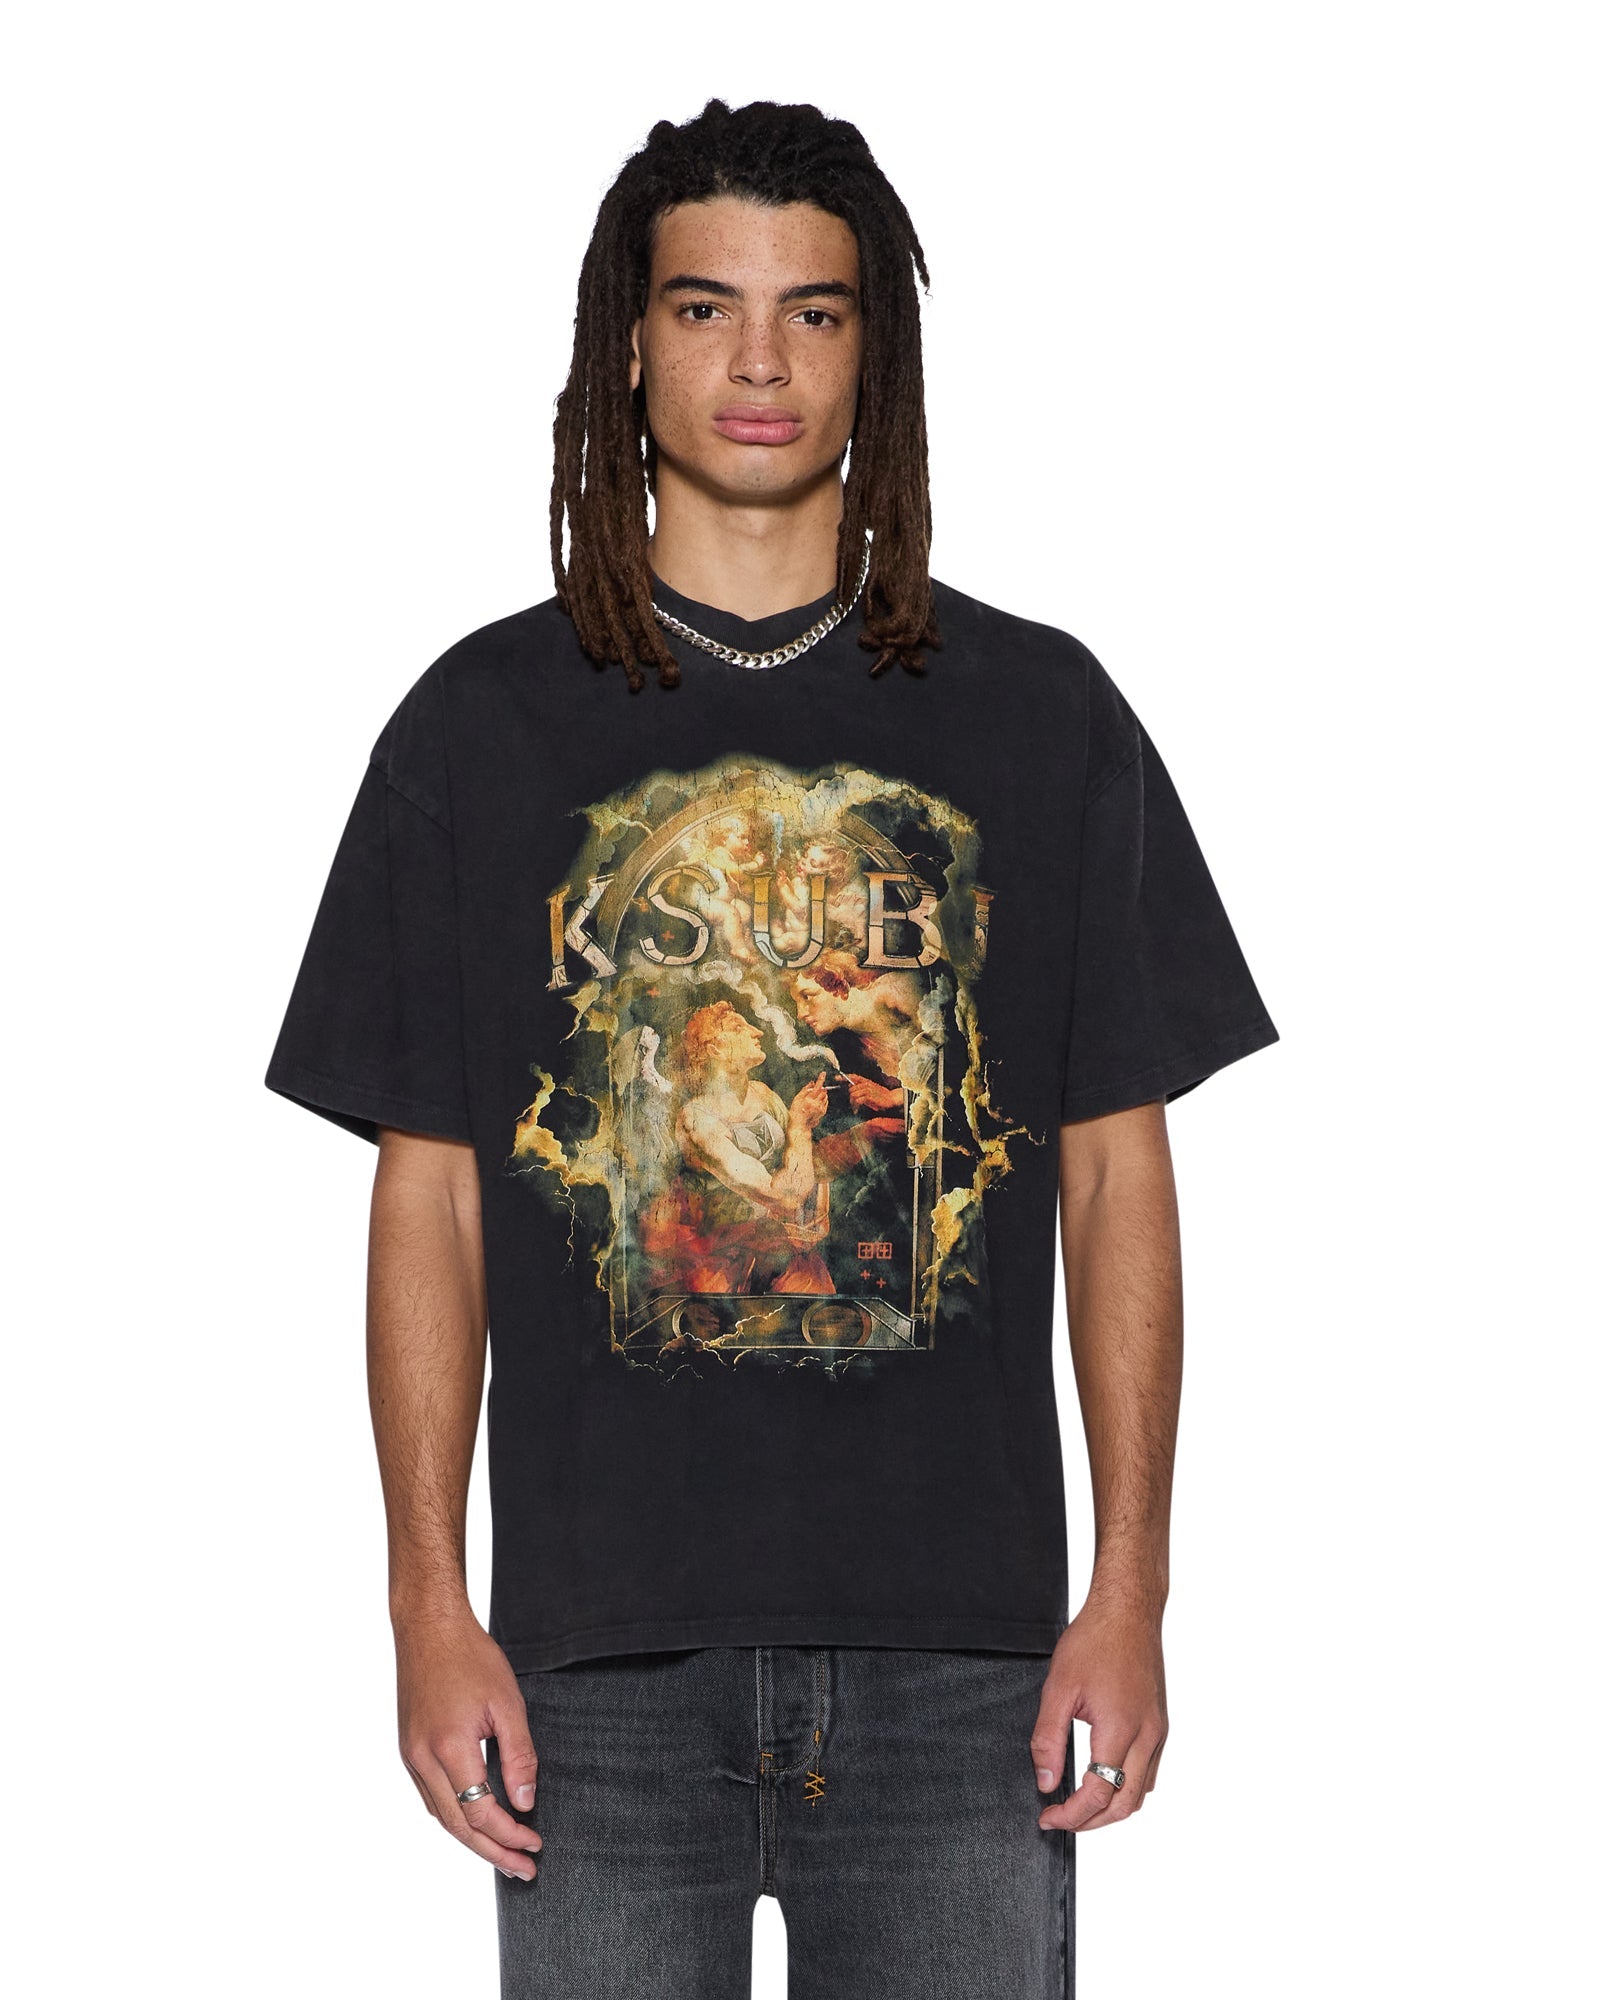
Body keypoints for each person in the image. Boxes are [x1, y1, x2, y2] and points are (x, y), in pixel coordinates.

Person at [265, 97, 1278, 2000]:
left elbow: (1115, 1168)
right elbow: (433, 1198)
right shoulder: (477, 728)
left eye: (814, 313)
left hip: (961, 1667)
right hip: (595, 1671)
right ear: (626, 346)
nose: (758, 361)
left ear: (874, 354)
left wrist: (1131, 1591)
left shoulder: (1041, 715)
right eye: (704, 307)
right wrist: (425, 1607)